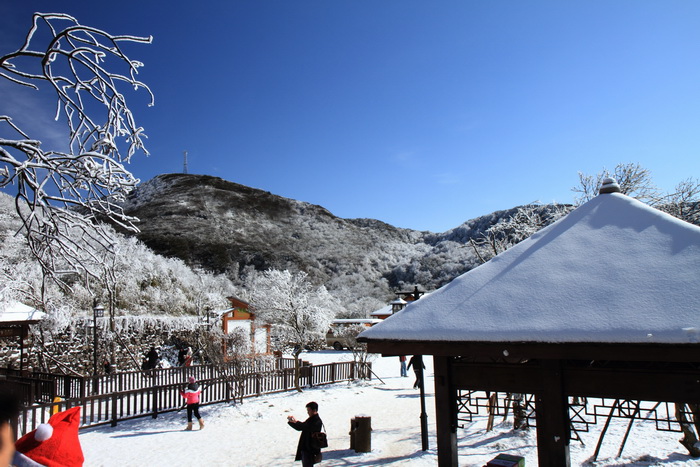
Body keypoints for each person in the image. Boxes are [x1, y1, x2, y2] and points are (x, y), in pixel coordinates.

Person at [287, 401, 323, 466]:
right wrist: (293, 422)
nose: (307, 412)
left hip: (310, 449)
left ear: (314, 410)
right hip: (307, 448)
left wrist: (295, 421)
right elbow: (302, 427)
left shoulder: (316, 421)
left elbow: (304, 427)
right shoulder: (312, 419)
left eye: (309, 410)